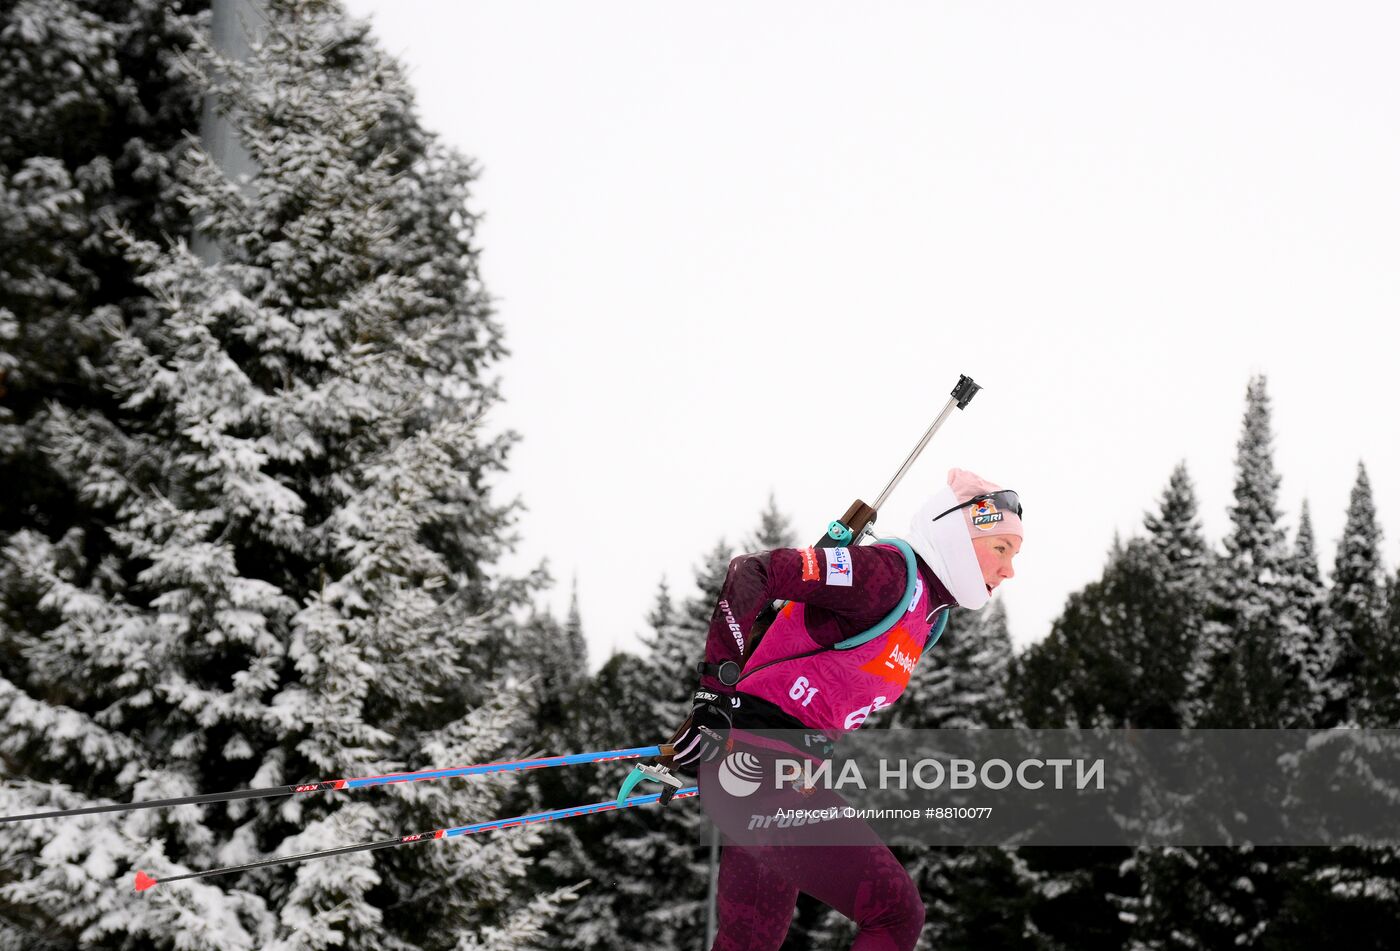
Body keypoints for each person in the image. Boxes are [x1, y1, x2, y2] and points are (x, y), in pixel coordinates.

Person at [668, 468, 1024, 951]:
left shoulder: (928, 615)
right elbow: (752, 571)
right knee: (895, 916)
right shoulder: (886, 575)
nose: (1009, 571)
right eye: (1001, 548)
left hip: (772, 773)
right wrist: (714, 700)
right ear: (958, 534)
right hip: (762, 770)